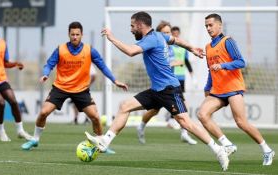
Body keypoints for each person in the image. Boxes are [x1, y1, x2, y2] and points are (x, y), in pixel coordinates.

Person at [85, 11, 229, 171]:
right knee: (125, 106)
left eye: (132, 26)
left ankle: (218, 149)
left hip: (169, 89)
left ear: (140, 25)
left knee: (185, 122)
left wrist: (111, 38)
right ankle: (105, 140)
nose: (131, 30)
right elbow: (176, 40)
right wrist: (191, 48)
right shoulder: (160, 36)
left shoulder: (152, 39)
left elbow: (131, 51)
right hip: (156, 90)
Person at [21, 21, 128, 151]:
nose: (75, 37)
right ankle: (35, 139)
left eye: (77, 34)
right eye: (72, 34)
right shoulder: (60, 49)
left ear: (82, 35)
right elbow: (49, 64)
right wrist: (45, 74)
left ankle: (102, 145)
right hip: (60, 87)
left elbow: (103, 66)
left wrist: (114, 80)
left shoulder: (89, 50)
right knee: (43, 112)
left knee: (95, 116)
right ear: (69, 35)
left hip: (81, 90)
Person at [198, 13, 275, 166]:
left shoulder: (228, 41)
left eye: (210, 25)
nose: (208, 28)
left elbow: (241, 62)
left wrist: (223, 65)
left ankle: (267, 150)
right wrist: (207, 88)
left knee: (241, 122)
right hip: (217, 91)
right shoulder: (207, 47)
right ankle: (227, 144)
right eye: (206, 25)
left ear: (220, 25)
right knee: (202, 114)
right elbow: (211, 71)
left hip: (233, 88)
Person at [136, 21, 197, 145]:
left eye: (169, 32)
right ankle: (141, 126)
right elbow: (162, 65)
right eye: (165, 33)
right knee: (154, 111)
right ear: (159, 34)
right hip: (160, 86)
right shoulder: (155, 45)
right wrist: (174, 63)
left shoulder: (172, 48)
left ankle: (184, 133)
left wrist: (191, 75)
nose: (168, 35)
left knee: (182, 106)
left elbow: (182, 61)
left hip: (173, 84)